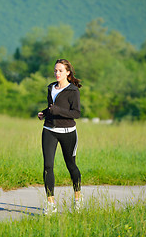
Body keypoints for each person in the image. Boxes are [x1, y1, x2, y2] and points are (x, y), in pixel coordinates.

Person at [37, 58, 82, 214]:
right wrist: (45, 112)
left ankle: (78, 199)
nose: (57, 73)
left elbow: (75, 113)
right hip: (49, 130)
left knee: (71, 166)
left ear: (67, 73)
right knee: (48, 166)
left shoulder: (73, 91)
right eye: (55, 70)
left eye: (60, 70)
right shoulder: (51, 87)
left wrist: (56, 111)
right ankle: (51, 205)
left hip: (68, 132)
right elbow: (53, 107)